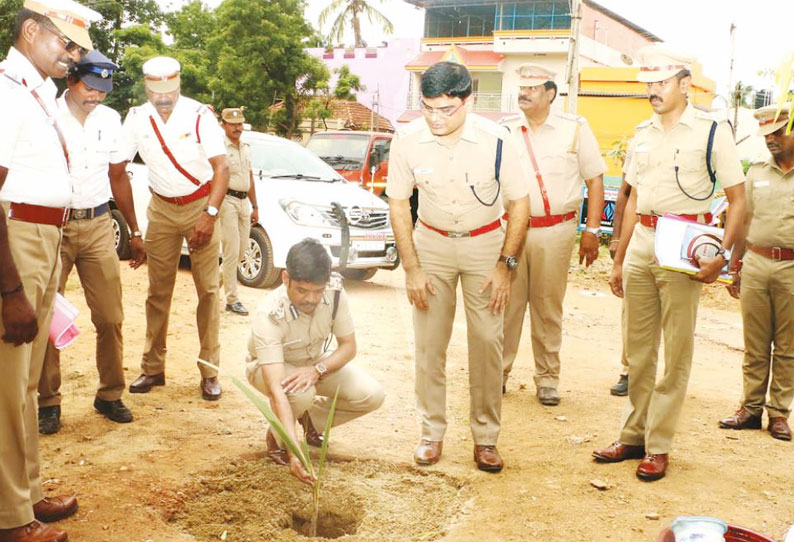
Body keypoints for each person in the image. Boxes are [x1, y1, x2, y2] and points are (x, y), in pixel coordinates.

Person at [593, 46, 746, 481]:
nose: (653, 91)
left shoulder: (713, 130)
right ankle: (634, 435)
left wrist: (722, 254)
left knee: (676, 352)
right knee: (638, 351)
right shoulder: (642, 133)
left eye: (661, 83)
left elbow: (737, 199)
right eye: (648, 84)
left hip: (685, 244)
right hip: (642, 238)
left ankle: (659, 446)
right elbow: (633, 198)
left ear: (684, 84)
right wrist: (619, 258)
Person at [387, 61, 530, 472]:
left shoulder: (496, 139)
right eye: (428, 108)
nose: (435, 118)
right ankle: (431, 433)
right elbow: (398, 203)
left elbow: (520, 204)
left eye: (446, 109)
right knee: (430, 345)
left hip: (485, 244)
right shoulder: (408, 139)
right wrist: (411, 267)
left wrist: (506, 265)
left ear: (468, 101)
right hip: (431, 245)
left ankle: (486, 438)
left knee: (487, 343)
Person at [0, 2, 101, 541]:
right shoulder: (6, 92)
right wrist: (10, 287)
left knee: (26, 382)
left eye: (78, 46)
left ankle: (28, 493)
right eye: (66, 42)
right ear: (31, 31)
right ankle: (10, 519)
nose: (74, 54)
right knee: (6, 385)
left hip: (44, 236)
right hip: (18, 239)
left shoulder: (34, 93)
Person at [36, 50, 146, 435]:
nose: (96, 96)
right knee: (47, 316)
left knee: (111, 317)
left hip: (99, 224)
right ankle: (47, 401)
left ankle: (110, 394)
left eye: (102, 89)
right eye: (89, 86)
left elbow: (119, 177)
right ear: (70, 80)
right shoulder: (46, 113)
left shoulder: (110, 119)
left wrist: (134, 231)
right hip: (54, 225)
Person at [121, 56, 229, 401]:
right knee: (157, 292)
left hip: (201, 203)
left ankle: (210, 371)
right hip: (162, 209)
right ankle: (153, 368)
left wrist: (210, 214)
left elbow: (222, 167)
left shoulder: (199, 115)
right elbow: (117, 166)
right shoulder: (137, 118)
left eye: (169, 90)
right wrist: (134, 228)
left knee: (208, 292)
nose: (163, 97)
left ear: (179, 84)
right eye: (156, 91)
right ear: (147, 88)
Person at [500, 64, 606, 405]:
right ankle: (498, 373)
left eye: (533, 88)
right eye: (522, 87)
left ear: (550, 93)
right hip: (511, 231)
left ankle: (547, 379)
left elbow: (595, 180)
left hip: (556, 231)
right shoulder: (505, 130)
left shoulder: (574, 129)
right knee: (506, 305)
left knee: (547, 307)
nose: (524, 93)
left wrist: (591, 230)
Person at [246, 238, 384, 484]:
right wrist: (293, 450)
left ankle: (312, 421)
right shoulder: (269, 314)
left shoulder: (336, 294)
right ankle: (277, 437)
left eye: (318, 291)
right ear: (285, 278)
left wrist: (317, 369)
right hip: (269, 367)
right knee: (300, 394)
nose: (311, 299)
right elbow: (277, 390)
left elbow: (348, 347)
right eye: (302, 290)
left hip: (315, 363)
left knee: (372, 395)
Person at [718, 103, 794, 442]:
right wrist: (735, 264)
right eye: (767, 135)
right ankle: (750, 409)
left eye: (778, 133)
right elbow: (744, 219)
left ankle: (779, 413)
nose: (771, 140)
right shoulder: (757, 171)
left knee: (789, 346)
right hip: (757, 263)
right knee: (755, 343)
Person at [218, 107, 259, 316]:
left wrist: (255, 205)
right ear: (223, 124)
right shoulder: (219, 147)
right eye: (233, 124)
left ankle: (211, 285)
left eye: (240, 124)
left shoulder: (246, 147)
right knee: (231, 251)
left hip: (244, 202)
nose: (237, 128)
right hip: (227, 201)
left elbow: (250, 177)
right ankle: (232, 299)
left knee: (242, 250)